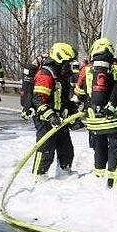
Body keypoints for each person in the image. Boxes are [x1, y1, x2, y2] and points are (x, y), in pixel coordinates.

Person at [75, 37, 117, 188]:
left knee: (99, 148)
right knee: (116, 149)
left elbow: (79, 92)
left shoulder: (85, 70)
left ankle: (98, 176)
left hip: (95, 122)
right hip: (115, 120)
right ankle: (114, 181)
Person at [32, 42, 78, 179]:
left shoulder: (61, 75)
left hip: (59, 119)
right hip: (45, 119)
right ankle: (39, 176)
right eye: (67, 62)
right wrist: (51, 116)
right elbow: (38, 100)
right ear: (59, 59)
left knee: (66, 149)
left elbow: (62, 98)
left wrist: (72, 109)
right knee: (45, 149)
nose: (69, 66)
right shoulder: (46, 74)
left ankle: (64, 173)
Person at [20, 52, 47, 119]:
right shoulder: (41, 61)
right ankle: (27, 112)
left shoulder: (32, 65)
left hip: (28, 83)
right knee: (32, 97)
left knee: (30, 96)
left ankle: (27, 111)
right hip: (30, 83)